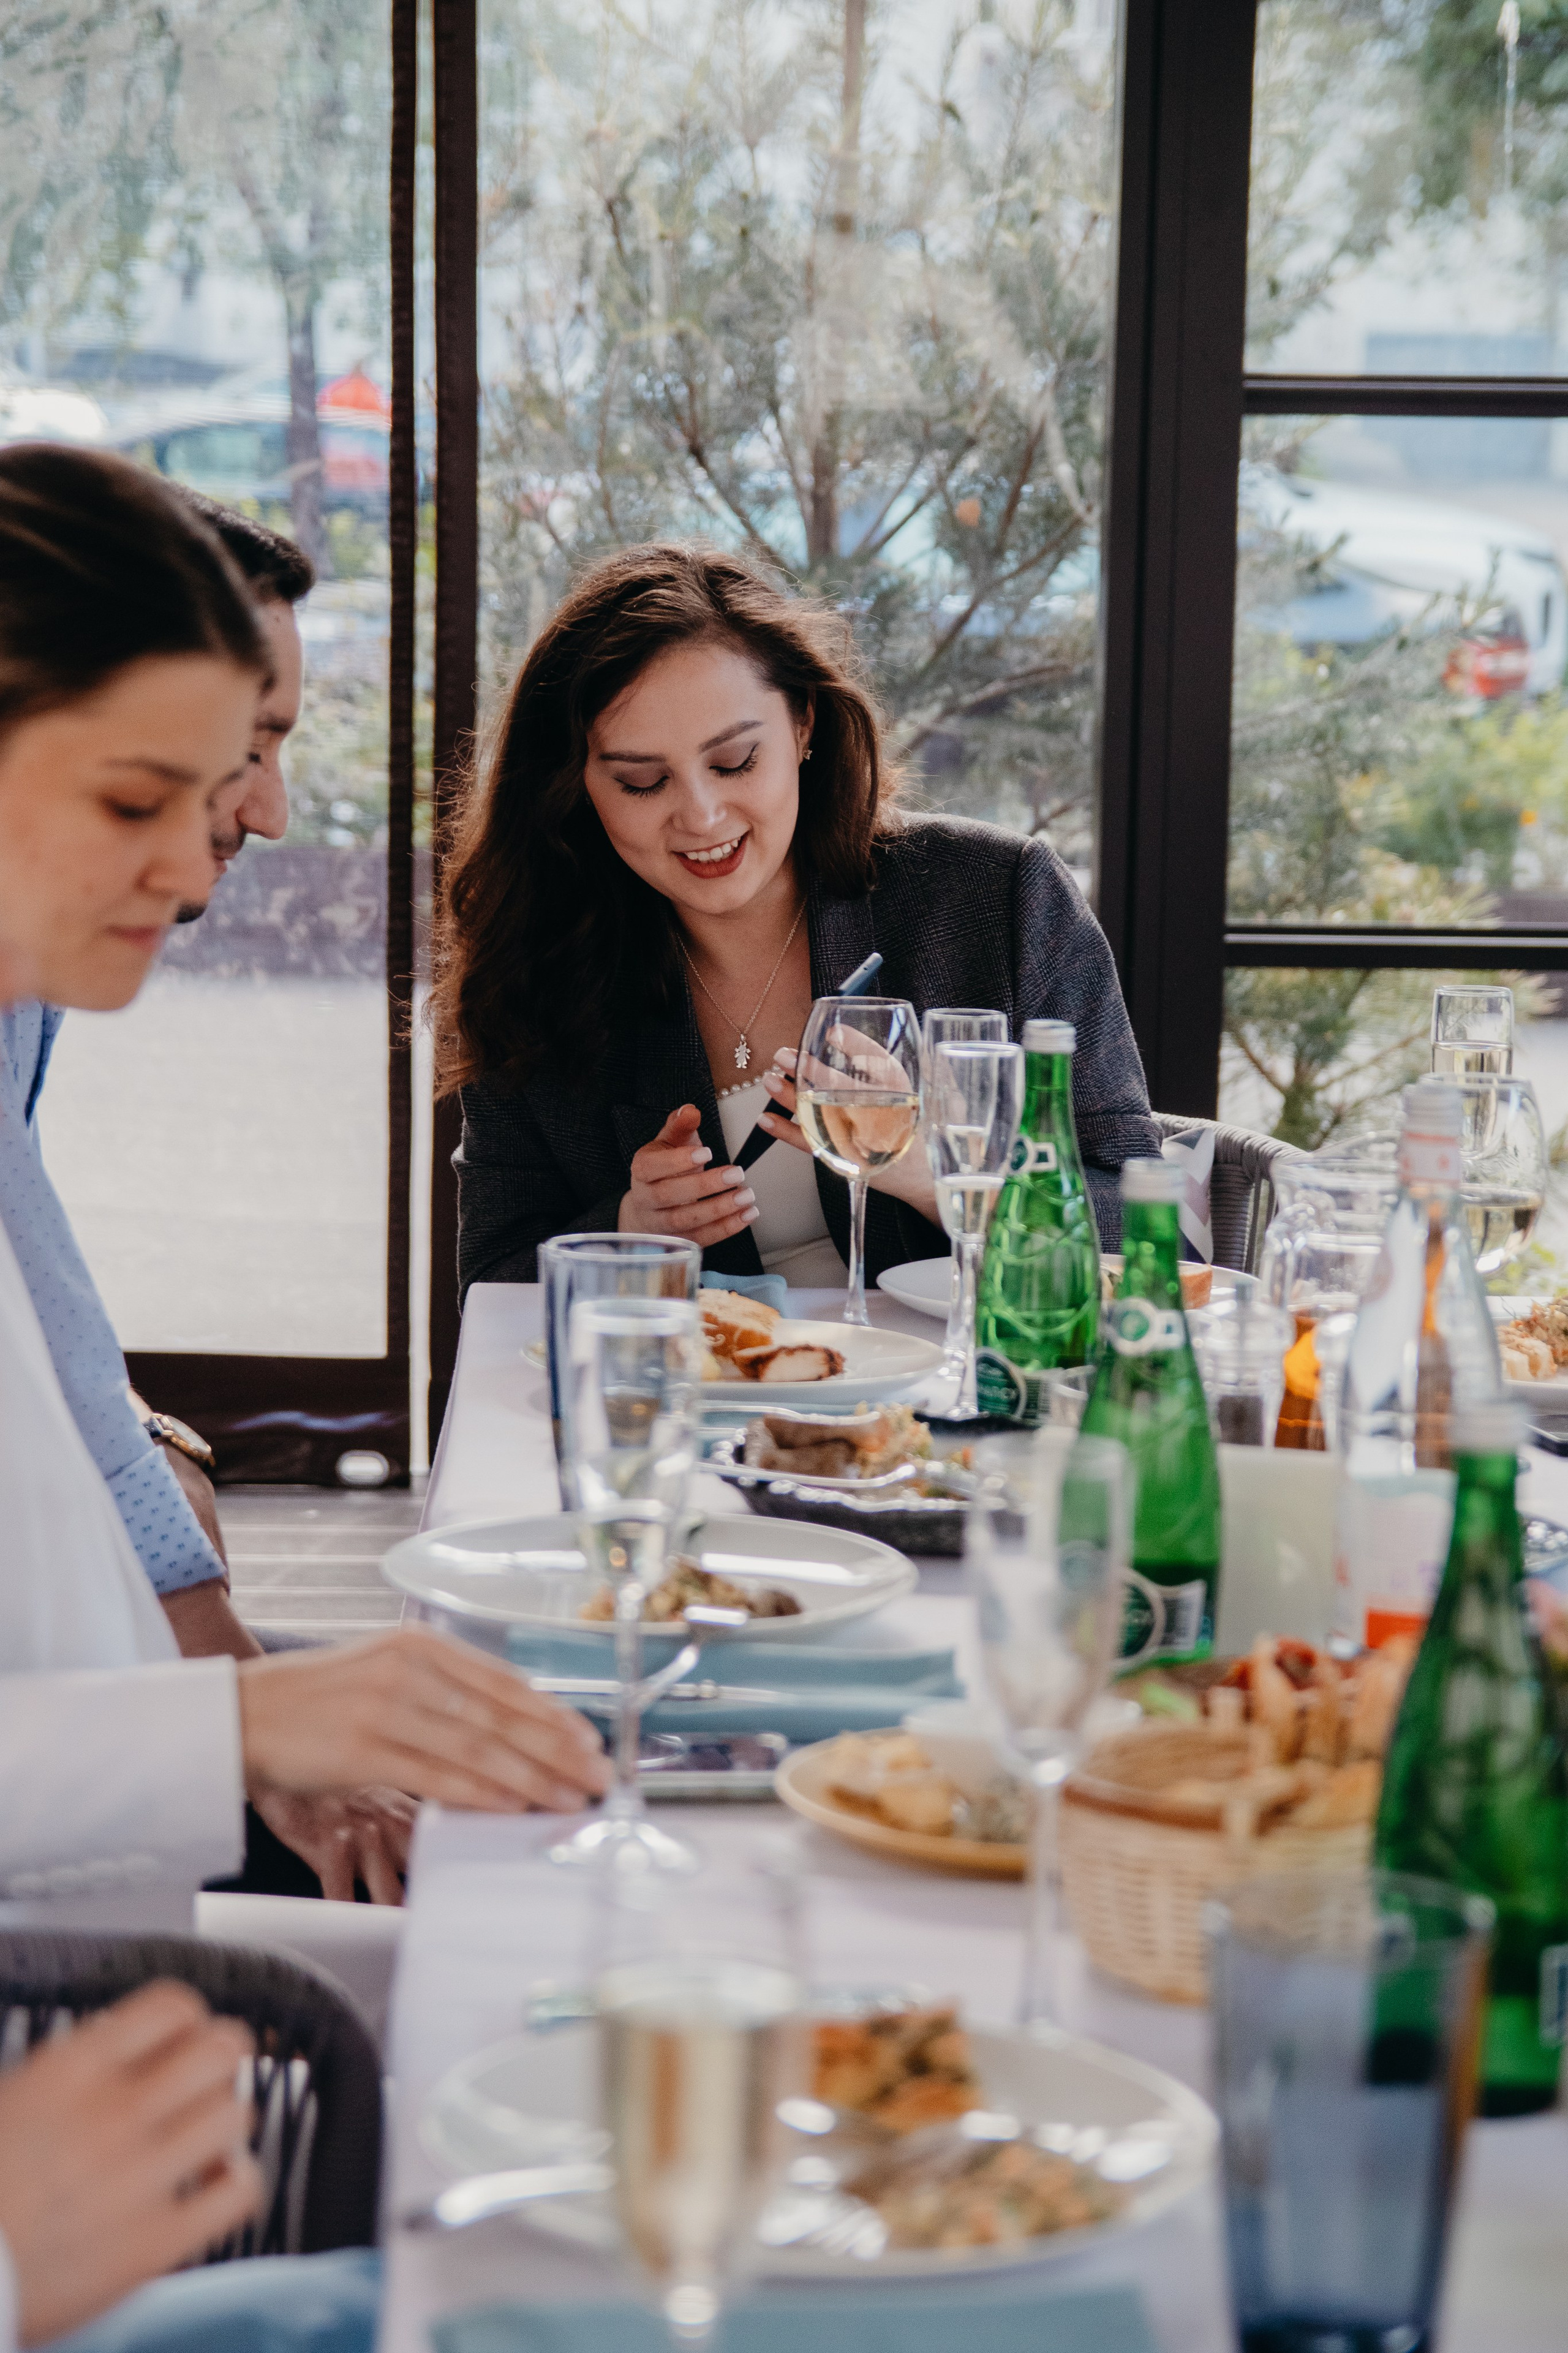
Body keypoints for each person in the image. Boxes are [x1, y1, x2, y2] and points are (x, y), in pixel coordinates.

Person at [434, 542, 1160, 1298]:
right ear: (578, 785)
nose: (701, 816)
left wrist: (932, 1171)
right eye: (641, 782)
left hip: (951, 1402)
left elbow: (1146, 1228)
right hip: (689, 1408)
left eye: (736, 761)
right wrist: (628, 1232)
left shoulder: (996, 898)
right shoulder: (536, 963)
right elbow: (492, 1281)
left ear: (804, 725)